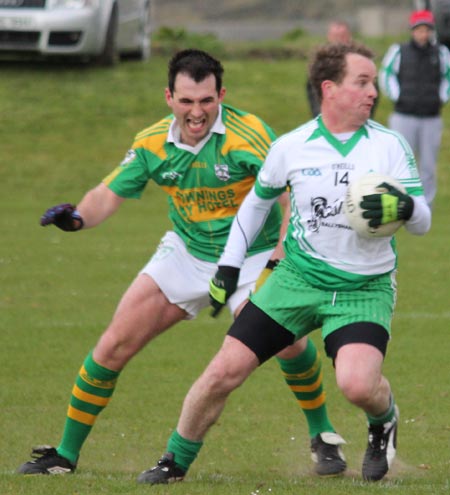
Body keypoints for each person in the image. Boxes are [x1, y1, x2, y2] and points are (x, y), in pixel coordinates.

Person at [17, 49, 346, 478]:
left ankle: (321, 434)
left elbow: (292, 200)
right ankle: (64, 454)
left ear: (221, 95)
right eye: (187, 101)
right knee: (114, 344)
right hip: (187, 253)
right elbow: (107, 194)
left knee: (287, 342)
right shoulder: (152, 142)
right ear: (169, 97)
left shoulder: (249, 136)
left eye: (207, 101)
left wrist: (278, 259)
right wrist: (77, 218)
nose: (197, 112)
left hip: (253, 257)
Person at [141, 42, 431, 485]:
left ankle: (383, 419)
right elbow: (255, 208)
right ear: (330, 88)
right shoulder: (292, 147)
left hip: (362, 289)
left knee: (356, 385)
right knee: (223, 370)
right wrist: (228, 267)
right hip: (296, 279)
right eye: (363, 81)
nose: (373, 91)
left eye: (373, 82)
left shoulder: (389, 146)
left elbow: (423, 222)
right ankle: (173, 461)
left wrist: (407, 207)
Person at [379, 9, 450, 208]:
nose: (423, 34)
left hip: (431, 117)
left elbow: (448, 77)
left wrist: (441, 98)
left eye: (427, 29)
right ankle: (398, 201)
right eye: (419, 29)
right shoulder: (398, 50)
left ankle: (425, 204)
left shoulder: (441, 53)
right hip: (403, 115)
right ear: (413, 30)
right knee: (400, 160)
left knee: (428, 165)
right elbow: (386, 74)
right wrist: (397, 96)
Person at [306, 20, 378, 119]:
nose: (338, 40)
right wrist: (320, 116)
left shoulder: (361, 63)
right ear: (329, 36)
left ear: (349, 36)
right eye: (335, 36)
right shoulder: (321, 64)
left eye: (342, 36)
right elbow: (313, 93)